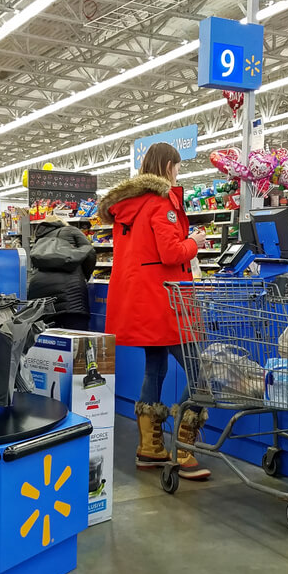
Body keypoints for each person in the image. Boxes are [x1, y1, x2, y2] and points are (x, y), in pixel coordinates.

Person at [97, 142, 211, 481]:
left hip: (142, 301)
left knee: (155, 370)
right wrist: (196, 243)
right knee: (200, 372)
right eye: (176, 166)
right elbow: (171, 252)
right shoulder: (162, 203)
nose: (178, 172)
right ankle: (185, 449)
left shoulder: (128, 207)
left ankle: (150, 448)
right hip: (166, 302)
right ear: (168, 166)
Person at [27, 216, 96, 331]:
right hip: (71, 292)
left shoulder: (39, 240)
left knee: (47, 337)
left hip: (39, 291)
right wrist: (84, 274)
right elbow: (90, 252)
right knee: (76, 338)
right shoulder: (71, 230)